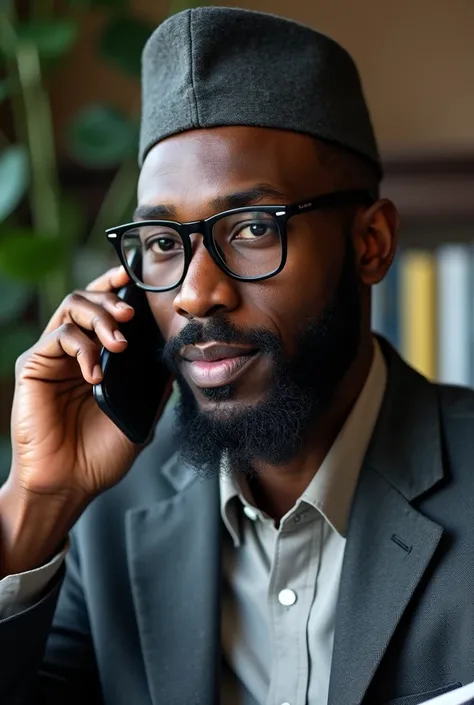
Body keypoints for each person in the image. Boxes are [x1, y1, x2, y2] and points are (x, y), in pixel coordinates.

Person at [0, 6, 473, 705]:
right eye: (163, 243)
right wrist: (37, 505)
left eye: (253, 227)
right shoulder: (100, 515)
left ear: (370, 242)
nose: (196, 294)